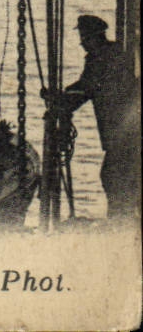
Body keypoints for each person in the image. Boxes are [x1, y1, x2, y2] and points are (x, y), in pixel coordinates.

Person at [51, 15, 140, 220]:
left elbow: (86, 88)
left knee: (113, 176)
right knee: (116, 176)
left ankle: (120, 223)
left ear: (91, 37)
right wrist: (65, 95)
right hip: (124, 130)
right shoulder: (113, 53)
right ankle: (123, 219)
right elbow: (86, 86)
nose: (82, 43)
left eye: (83, 38)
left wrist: (61, 101)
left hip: (121, 132)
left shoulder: (100, 59)